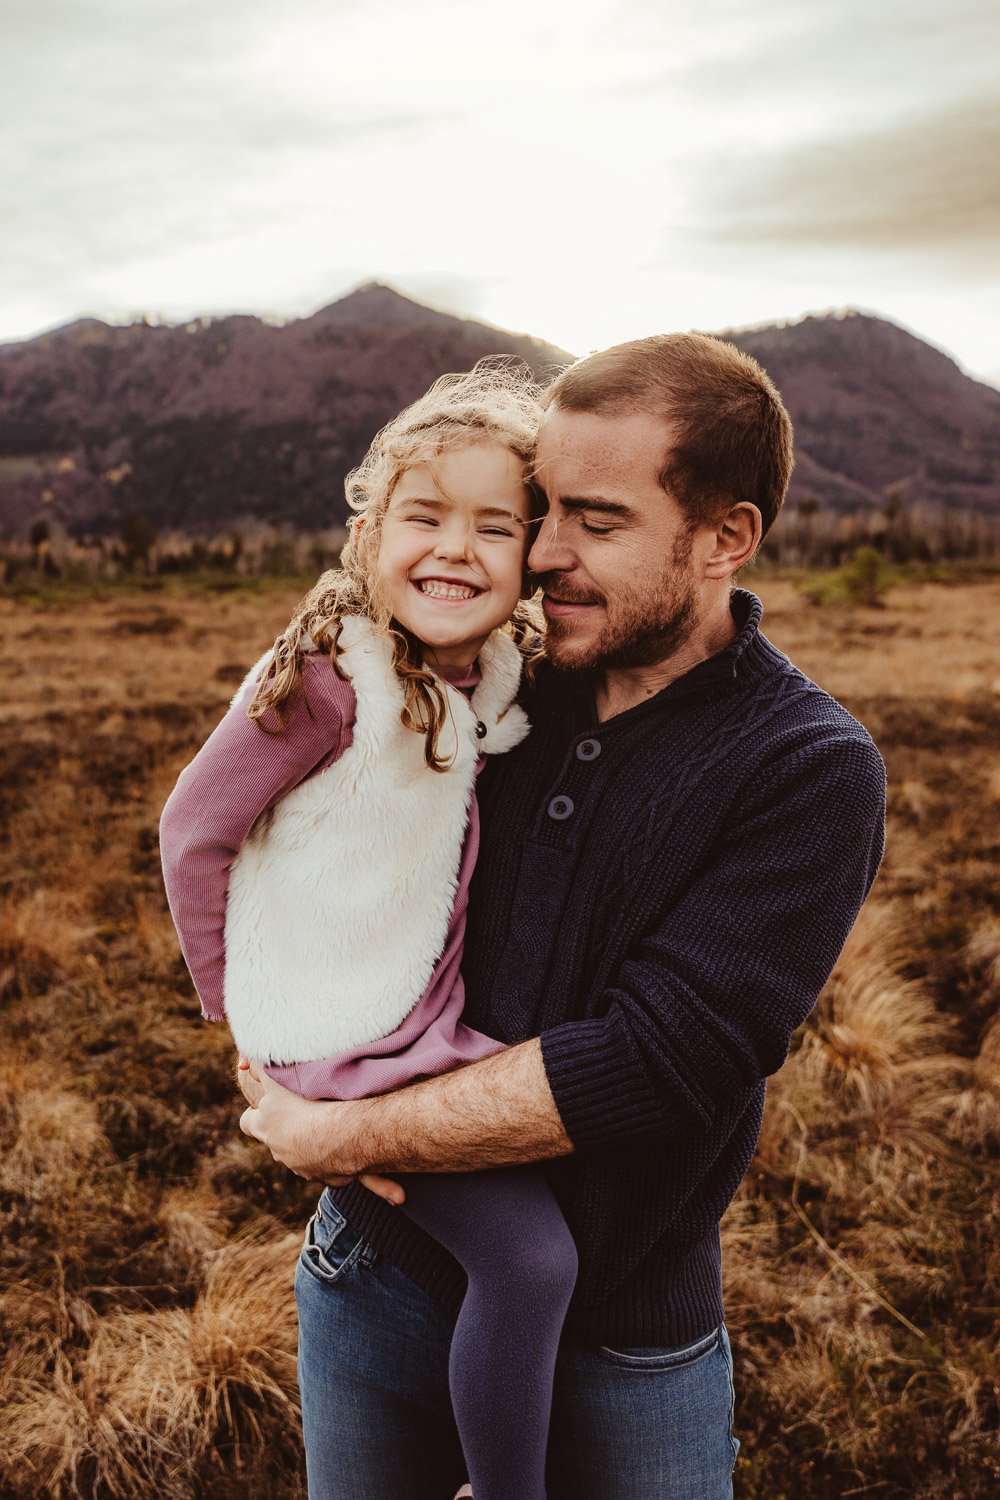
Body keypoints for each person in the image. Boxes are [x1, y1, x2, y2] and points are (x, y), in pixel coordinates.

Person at [237, 330, 888, 1499]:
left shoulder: (805, 767)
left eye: (595, 519)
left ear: (725, 538)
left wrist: (350, 1136)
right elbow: (298, 851)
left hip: (626, 1334)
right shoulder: (488, 681)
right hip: (373, 1278)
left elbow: (654, 1062)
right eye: (540, 512)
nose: (542, 554)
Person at [159, 363, 581, 1500]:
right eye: (423, 516)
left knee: (559, 1153)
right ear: (368, 531)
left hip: (409, 1017)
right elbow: (193, 827)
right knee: (531, 1257)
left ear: (532, 554)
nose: (456, 549)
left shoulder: (485, 672)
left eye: (497, 526)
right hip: (337, 1030)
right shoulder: (327, 676)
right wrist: (236, 1017)